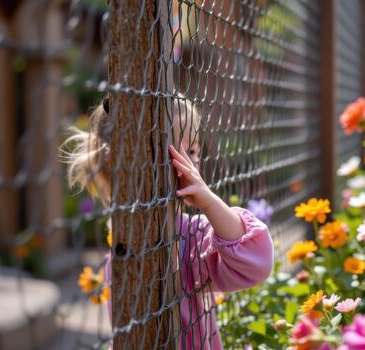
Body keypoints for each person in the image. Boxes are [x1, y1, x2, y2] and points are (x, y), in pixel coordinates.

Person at [61, 95, 274, 349]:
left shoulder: (190, 236)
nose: (190, 162)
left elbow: (257, 263)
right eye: (172, 148)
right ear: (121, 159)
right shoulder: (118, 247)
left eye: (193, 149)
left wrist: (210, 203)